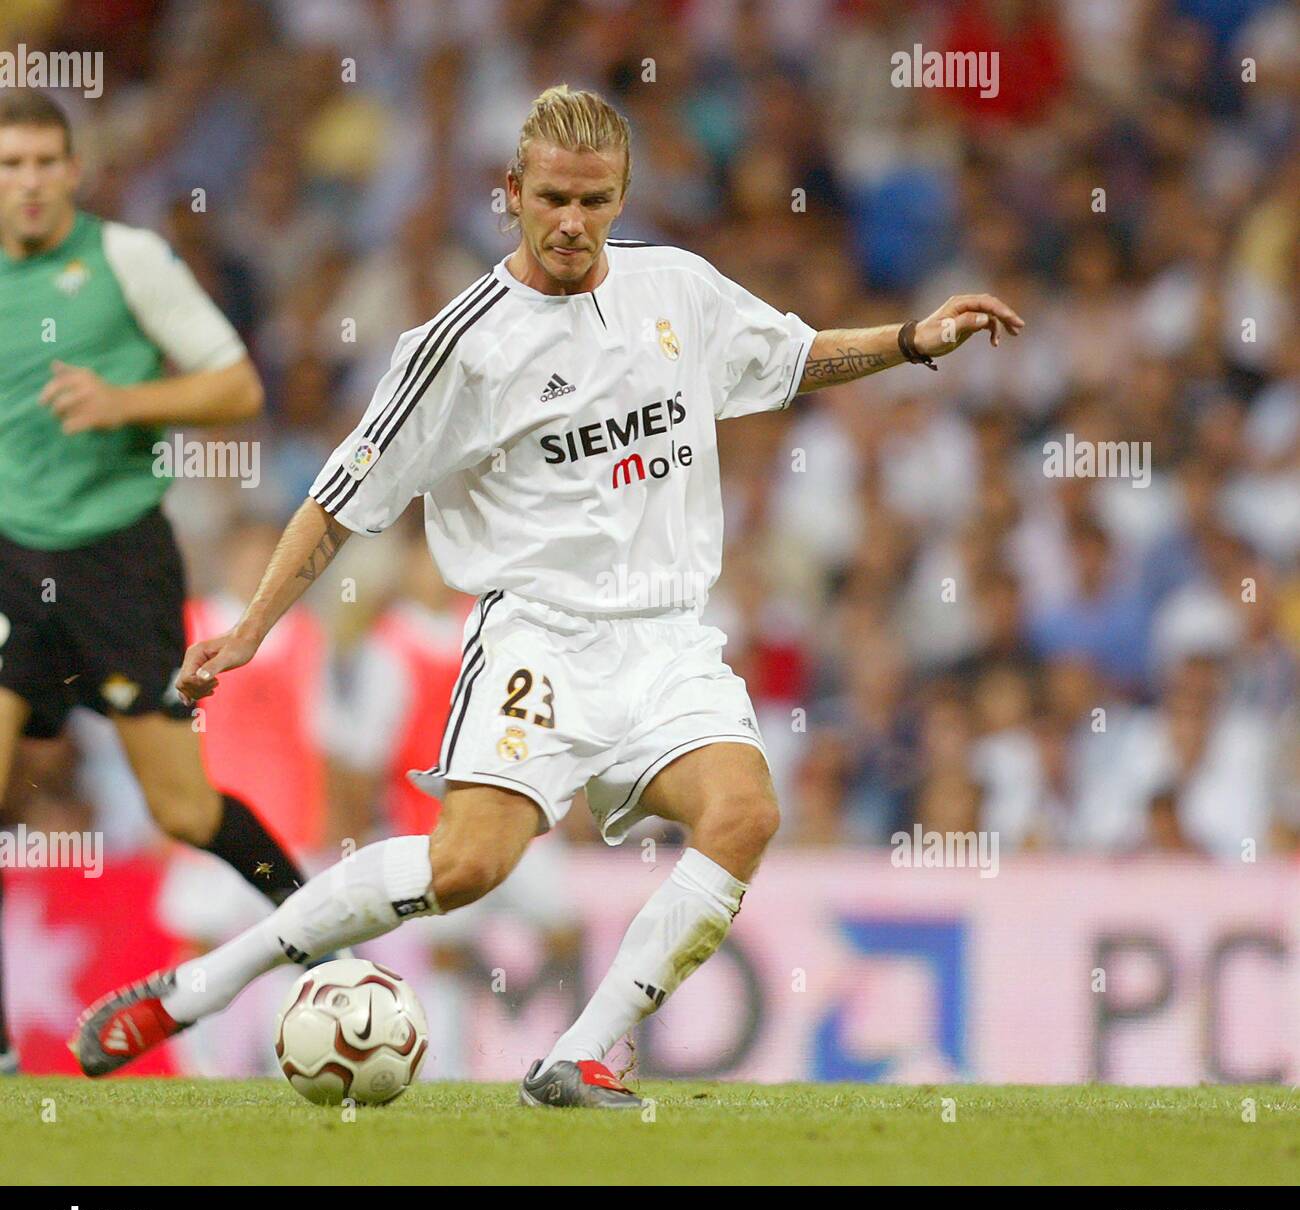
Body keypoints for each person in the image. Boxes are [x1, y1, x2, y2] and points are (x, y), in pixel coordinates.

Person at [71, 85, 1023, 1107]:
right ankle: (198, 986)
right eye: (554, 199)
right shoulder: (461, 344)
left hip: (666, 638)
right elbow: (342, 498)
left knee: (743, 812)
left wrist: (912, 340)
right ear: (513, 192)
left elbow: (790, 359)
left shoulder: (676, 291)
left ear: (621, 197)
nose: (572, 222)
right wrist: (254, 625)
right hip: (540, 640)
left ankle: (581, 1052)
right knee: (468, 866)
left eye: (595, 201)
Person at [0, 91, 305, 1073]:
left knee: (180, 808)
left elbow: (238, 383)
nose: (31, 181)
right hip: (10, 559)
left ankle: (321, 929)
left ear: (75, 171)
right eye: (11, 164)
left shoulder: (129, 260)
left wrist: (125, 399)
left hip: (119, 560)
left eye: (47, 161)